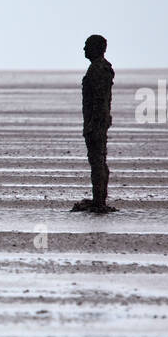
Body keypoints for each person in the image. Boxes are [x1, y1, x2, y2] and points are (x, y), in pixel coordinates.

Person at [75, 34, 116, 213]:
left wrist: (94, 125)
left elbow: (99, 101)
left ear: (96, 48)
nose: (84, 49)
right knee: (98, 160)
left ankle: (99, 201)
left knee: (97, 161)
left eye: (87, 46)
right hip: (97, 122)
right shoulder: (99, 68)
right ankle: (98, 199)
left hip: (96, 124)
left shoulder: (98, 69)